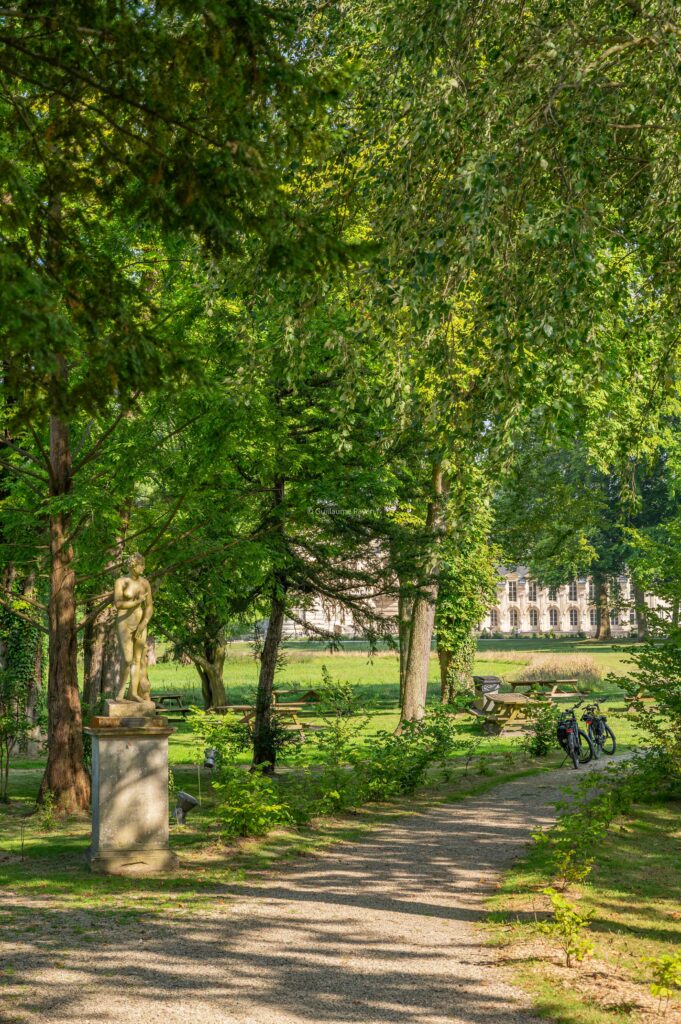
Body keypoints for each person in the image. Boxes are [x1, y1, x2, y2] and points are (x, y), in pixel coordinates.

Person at [114, 554, 154, 703]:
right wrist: (136, 602)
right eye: (141, 564)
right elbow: (118, 604)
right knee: (127, 658)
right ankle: (120, 693)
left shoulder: (145, 583)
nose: (143, 567)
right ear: (133, 565)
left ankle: (134, 693)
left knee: (137, 659)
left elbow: (149, 606)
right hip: (124, 622)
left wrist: (144, 623)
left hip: (140, 623)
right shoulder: (121, 582)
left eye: (143, 564)